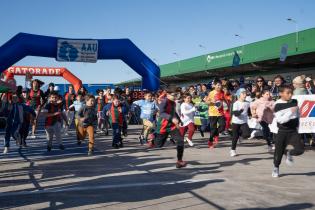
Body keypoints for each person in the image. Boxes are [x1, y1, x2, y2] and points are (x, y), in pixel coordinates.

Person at [272, 85, 304, 178]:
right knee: (278, 152)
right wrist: (290, 111)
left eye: (291, 93)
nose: (290, 95)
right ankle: (276, 167)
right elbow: (281, 120)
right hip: (282, 131)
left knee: (300, 149)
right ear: (281, 94)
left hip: (293, 131)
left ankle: (289, 153)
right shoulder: (278, 105)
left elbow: (297, 114)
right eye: (288, 93)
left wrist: (298, 124)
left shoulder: (294, 101)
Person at [154, 86, 187, 168]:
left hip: (172, 126)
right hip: (163, 126)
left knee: (180, 141)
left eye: (176, 94)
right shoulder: (164, 102)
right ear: (168, 94)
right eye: (174, 95)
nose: (175, 96)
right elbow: (161, 113)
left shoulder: (173, 102)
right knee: (158, 145)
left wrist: (179, 120)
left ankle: (179, 161)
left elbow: (173, 112)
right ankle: (153, 136)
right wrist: (172, 118)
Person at [230, 88, 250, 157]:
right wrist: (240, 111)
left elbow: (249, 111)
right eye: (243, 93)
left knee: (247, 134)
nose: (245, 95)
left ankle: (240, 136)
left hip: (244, 121)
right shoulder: (236, 103)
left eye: (245, 93)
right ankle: (233, 150)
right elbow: (235, 114)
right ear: (239, 95)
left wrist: (252, 115)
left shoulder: (247, 103)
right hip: (235, 122)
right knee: (235, 137)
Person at [206, 79, 226, 148]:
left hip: (220, 113)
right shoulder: (211, 93)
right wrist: (212, 101)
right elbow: (207, 102)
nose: (219, 86)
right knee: (213, 129)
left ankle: (216, 134)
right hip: (212, 113)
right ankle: (210, 141)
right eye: (218, 85)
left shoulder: (223, 92)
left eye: (220, 85)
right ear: (214, 86)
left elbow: (225, 101)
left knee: (223, 126)